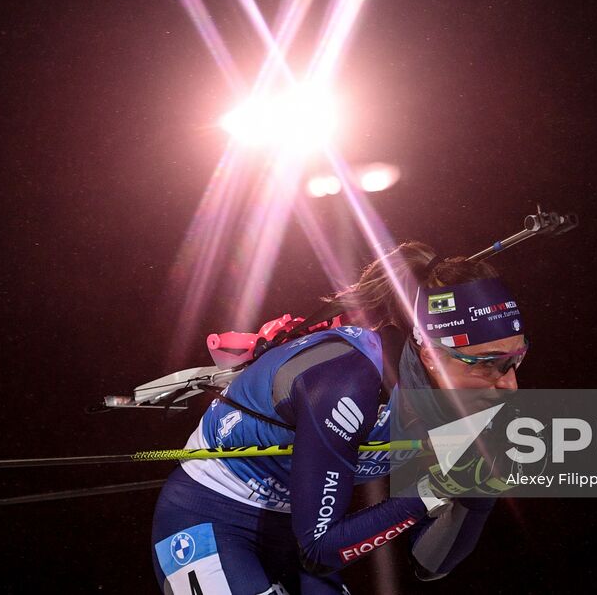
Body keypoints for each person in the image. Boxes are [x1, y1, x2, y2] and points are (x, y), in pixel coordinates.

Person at [150, 241, 530, 594]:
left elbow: (430, 563)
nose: (509, 385)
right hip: (212, 516)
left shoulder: (467, 407)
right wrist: (432, 491)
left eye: (516, 360)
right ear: (430, 354)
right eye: (488, 365)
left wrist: (478, 496)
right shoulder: (348, 383)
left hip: (293, 529)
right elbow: (320, 550)